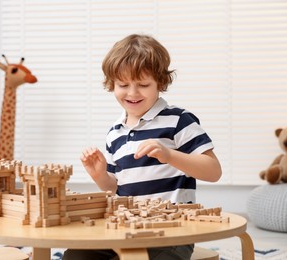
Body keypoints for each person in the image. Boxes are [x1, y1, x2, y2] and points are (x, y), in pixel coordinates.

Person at [62, 34, 222, 260]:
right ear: (112, 85)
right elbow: (115, 188)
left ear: (161, 83)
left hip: (172, 232)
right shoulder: (115, 133)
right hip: (124, 228)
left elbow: (213, 171)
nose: (132, 93)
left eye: (143, 85)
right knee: (75, 256)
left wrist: (170, 155)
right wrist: (100, 176)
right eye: (123, 85)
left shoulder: (178, 120)